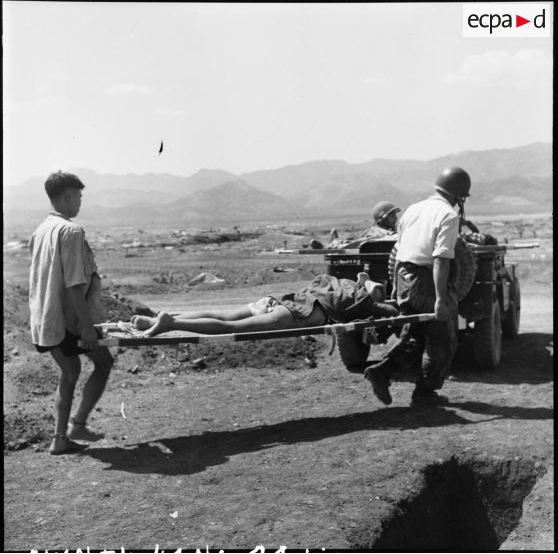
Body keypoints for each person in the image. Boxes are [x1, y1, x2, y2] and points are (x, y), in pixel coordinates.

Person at [364, 167, 471, 407]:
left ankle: (382, 372)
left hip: (404, 277)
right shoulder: (448, 215)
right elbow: (441, 259)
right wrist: (441, 299)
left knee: (414, 335)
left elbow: (399, 251)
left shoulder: (413, 209)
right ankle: (425, 393)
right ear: (459, 195)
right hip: (427, 279)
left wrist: (394, 285)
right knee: (442, 339)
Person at [29, 171, 114, 455]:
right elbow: (74, 285)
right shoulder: (71, 231)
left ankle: (60, 438)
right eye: (78, 196)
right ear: (67, 195)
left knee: (69, 372)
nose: (79, 202)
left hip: (46, 320)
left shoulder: (40, 230)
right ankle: (75, 426)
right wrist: (87, 327)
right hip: (70, 322)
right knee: (102, 363)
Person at [128, 272, 399, 337]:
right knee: (229, 328)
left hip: (277, 301)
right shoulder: (362, 298)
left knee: (223, 315)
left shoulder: (335, 281)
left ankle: (155, 320)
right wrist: (377, 293)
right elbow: (389, 310)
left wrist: (366, 281)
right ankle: (169, 323)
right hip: (297, 314)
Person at [309, 201, 401, 250]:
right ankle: (331, 244)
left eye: (395, 215)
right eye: (392, 216)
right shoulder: (373, 233)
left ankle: (334, 242)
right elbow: (355, 243)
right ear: (382, 218)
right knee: (354, 240)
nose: (396, 219)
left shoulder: (395, 232)